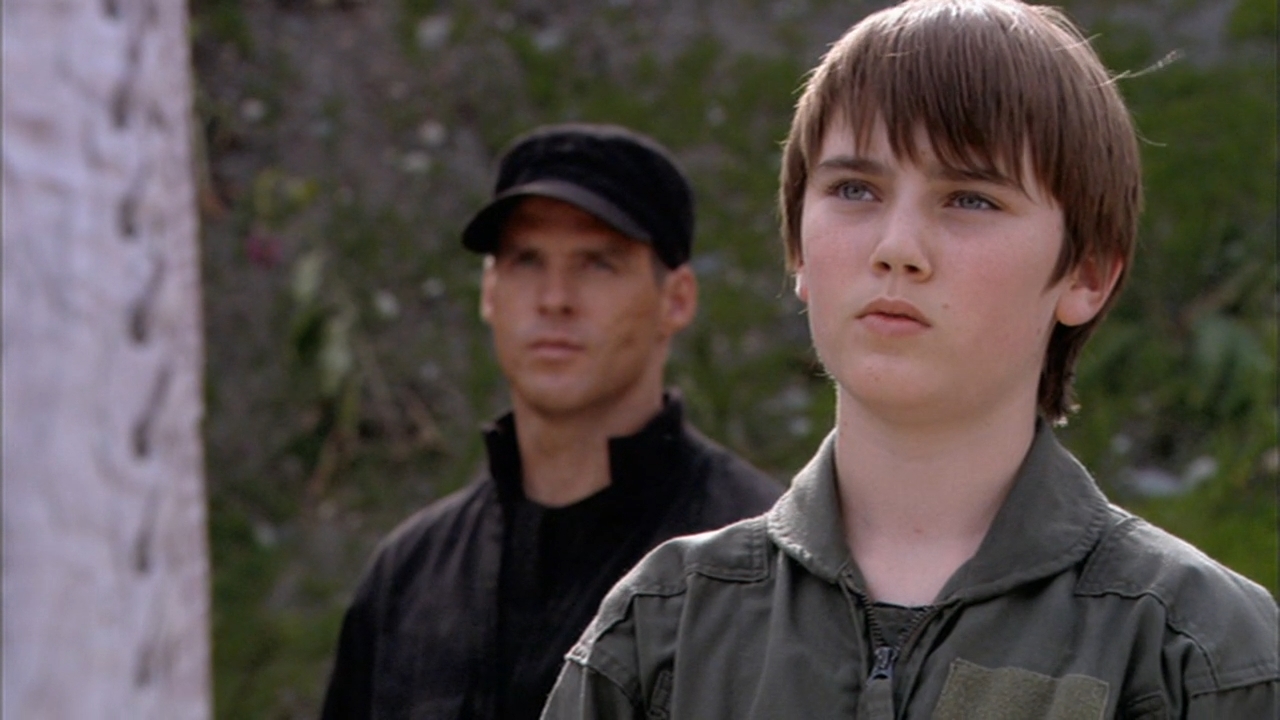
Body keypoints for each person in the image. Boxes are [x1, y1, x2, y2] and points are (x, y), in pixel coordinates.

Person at [541, 2, 1279, 718]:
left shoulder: (1195, 654)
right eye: (854, 189)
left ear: (1087, 274)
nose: (896, 248)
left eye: (970, 199)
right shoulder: (664, 634)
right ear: (798, 249)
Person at [319, 123, 783, 720]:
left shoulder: (760, 571)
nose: (555, 298)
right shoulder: (409, 579)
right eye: (526, 260)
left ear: (677, 299)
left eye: (597, 263)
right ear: (489, 293)